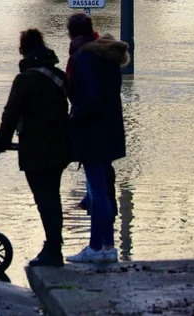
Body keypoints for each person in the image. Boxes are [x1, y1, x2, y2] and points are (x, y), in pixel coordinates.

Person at [0, 28, 71, 267]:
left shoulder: (25, 79)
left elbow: (11, 113)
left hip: (36, 148)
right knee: (53, 197)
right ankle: (54, 246)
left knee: (44, 199)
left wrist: (2, 143)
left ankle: (53, 249)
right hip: (60, 146)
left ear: (22, 50)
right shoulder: (58, 75)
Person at [63, 13, 129, 264]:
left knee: (97, 191)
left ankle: (95, 247)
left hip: (93, 134)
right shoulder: (106, 55)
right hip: (110, 131)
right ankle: (108, 246)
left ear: (72, 34)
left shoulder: (85, 58)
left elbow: (89, 99)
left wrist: (71, 121)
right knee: (101, 190)